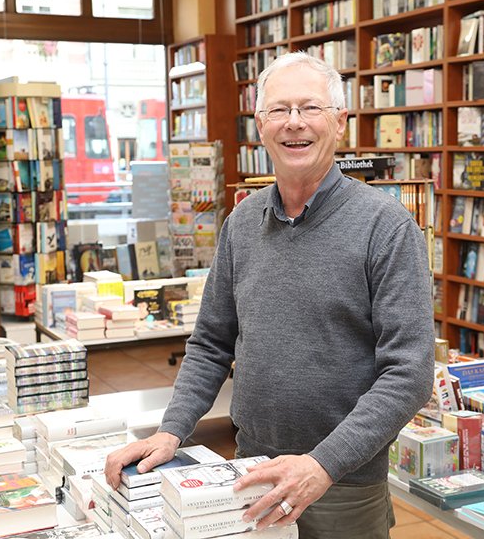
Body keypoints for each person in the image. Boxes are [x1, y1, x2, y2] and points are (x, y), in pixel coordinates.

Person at [105, 52, 435, 538]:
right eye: (279, 110)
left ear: (339, 122)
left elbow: (409, 374)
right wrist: (171, 429)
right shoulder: (241, 223)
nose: (294, 124)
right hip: (250, 473)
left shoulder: (385, 227)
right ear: (261, 125)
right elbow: (211, 343)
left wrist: (321, 466)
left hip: (342, 485)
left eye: (311, 109)